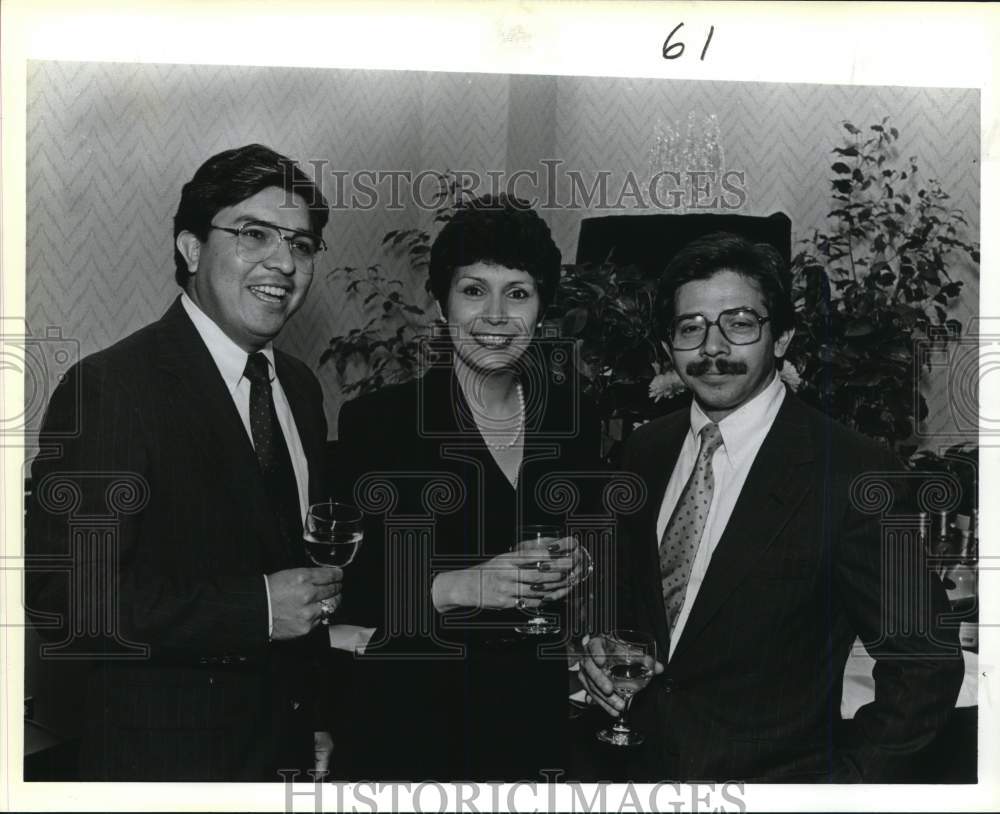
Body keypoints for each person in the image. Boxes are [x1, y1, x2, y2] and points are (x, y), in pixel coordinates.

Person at [579, 231, 964, 782]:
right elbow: (638, 604)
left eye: (739, 323)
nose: (712, 349)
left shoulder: (853, 472)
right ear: (668, 347)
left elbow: (924, 664)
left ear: (781, 337)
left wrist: (843, 789)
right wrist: (602, 645)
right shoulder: (646, 450)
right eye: (690, 328)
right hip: (633, 773)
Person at [26, 144, 342, 781]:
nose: (283, 262)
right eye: (255, 234)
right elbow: (66, 598)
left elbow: (288, 572)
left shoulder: (302, 388)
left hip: (282, 754)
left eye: (302, 246)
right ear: (192, 247)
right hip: (166, 766)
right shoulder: (113, 389)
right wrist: (254, 610)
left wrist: (312, 720)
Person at [330, 194, 601, 780]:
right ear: (441, 302)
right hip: (409, 724)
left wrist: (580, 565)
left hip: (534, 725)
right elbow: (343, 598)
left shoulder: (574, 418)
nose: (496, 316)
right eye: (474, 290)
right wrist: (457, 586)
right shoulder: (378, 425)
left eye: (519, 293)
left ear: (542, 309)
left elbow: (590, 552)